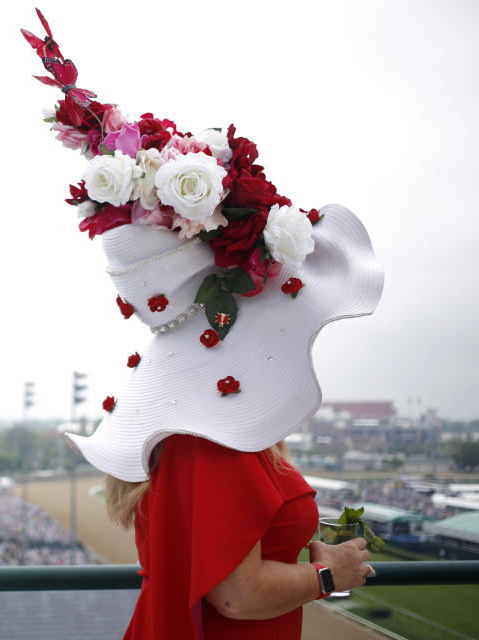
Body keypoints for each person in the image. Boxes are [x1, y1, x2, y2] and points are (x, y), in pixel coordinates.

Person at [21, 9, 384, 638]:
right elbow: (236, 595)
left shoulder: (219, 422)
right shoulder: (208, 432)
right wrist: (331, 576)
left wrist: (304, 560)